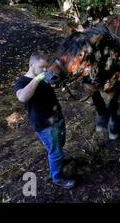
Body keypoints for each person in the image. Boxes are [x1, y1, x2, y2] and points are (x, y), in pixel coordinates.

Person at [15, 52, 76, 189]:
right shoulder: (22, 82)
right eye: (41, 67)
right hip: (45, 125)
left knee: (60, 144)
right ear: (31, 65)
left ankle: (58, 161)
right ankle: (57, 178)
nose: (44, 70)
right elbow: (22, 97)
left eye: (46, 68)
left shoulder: (43, 77)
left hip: (57, 118)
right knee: (56, 152)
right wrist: (38, 78)